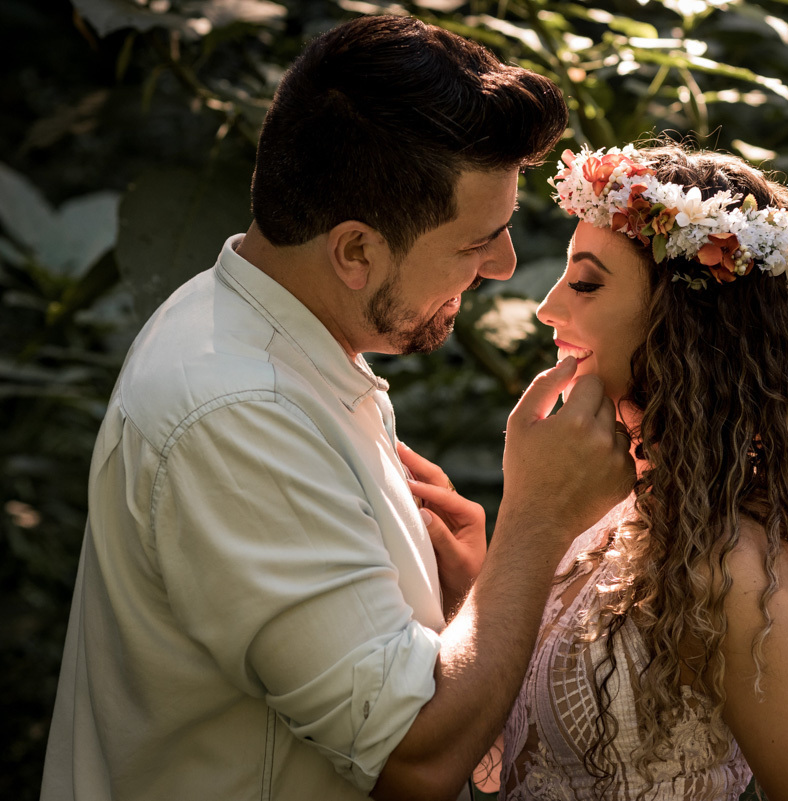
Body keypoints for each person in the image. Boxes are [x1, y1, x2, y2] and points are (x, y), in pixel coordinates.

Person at [39, 15, 633, 801]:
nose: (505, 267)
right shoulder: (239, 414)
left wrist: (461, 599)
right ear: (355, 251)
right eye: (474, 243)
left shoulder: (270, 327)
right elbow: (410, 759)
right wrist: (537, 521)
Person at [491, 143, 788, 800]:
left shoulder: (734, 569)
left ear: (686, 322)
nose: (547, 309)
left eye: (586, 283)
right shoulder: (601, 513)